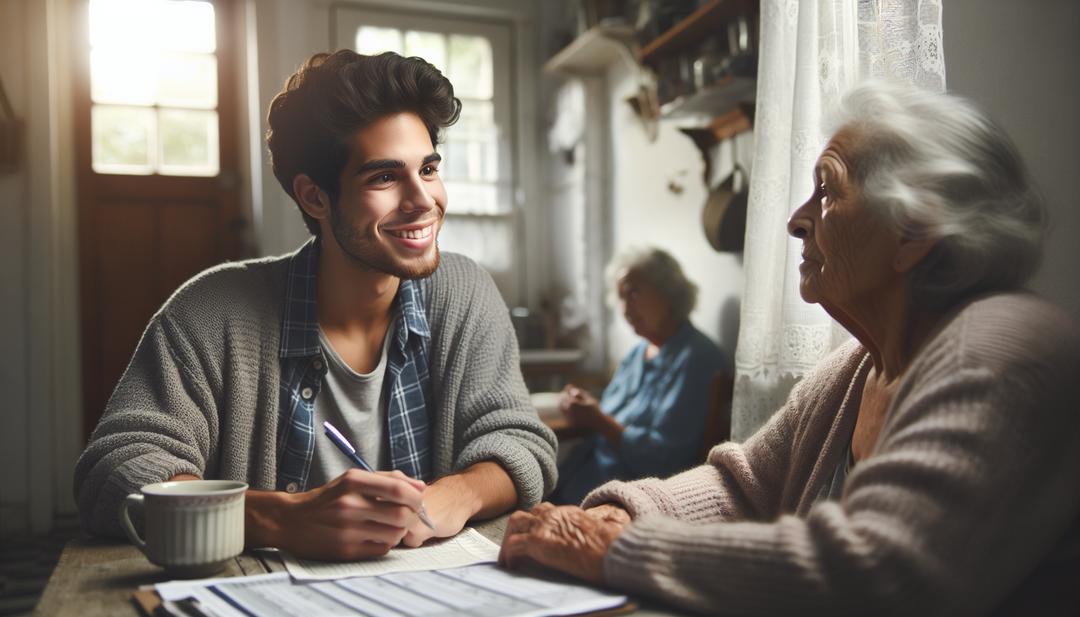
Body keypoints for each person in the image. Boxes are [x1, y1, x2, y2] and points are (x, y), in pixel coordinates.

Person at [499, 81, 1080, 615]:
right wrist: (625, 511)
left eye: (826, 191)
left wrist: (618, 546)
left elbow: (878, 571)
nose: (797, 221)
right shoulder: (855, 368)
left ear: (915, 228)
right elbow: (741, 484)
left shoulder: (1004, 348)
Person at [74, 50, 557, 561]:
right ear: (314, 198)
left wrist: (454, 495)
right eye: (384, 178)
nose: (423, 200)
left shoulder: (465, 292)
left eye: (429, 168)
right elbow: (115, 468)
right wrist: (281, 516)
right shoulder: (210, 313)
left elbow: (521, 441)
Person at [551, 248, 727, 505]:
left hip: (627, 497)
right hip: (582, 478)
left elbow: (667, 460)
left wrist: (598, 420)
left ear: (669, 292)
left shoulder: (697, 358)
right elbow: (614, 411)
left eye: (633, 294)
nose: (625, 310)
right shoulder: (637, 354)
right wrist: (584, 406)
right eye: (621, 298)